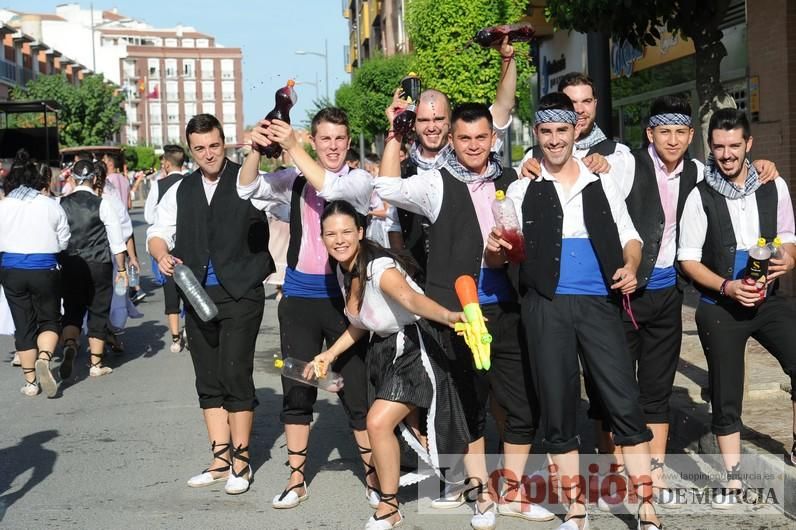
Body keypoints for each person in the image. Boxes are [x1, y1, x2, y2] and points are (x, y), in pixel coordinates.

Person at [378, 101, 554, 528]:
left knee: (520, 405)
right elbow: (385, 187)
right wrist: (394, 135)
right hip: (455, 313)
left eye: (481, 137)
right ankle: (480, 494)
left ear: (494, 138)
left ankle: (511, 490)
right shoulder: (434, 183)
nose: (474, 146)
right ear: (451, 142)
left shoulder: (516, 179)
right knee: (468, 405)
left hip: (507, 308)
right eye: (465, 138)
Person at [495, 92, 661, 529]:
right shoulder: (521, 186)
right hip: (544, 307)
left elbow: (631, 237)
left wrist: (629, 266)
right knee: (557, 403)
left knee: (623, 399)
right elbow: (503, 255)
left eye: (561, 130)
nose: (553, 140)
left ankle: (646, 507)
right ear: (536, 134)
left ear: (575, 131)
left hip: (599, 305)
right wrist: (497, 249)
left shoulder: (600, 179)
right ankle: (575, 507)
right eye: (546, 131)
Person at [239, 108, 376, 510]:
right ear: (315, 142)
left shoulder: (358, 181)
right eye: (325, 139)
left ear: (349, 142)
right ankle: (296, 479)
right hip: (299, 299)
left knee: (356, 391)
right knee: (297, 389)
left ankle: (373, 476)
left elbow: (330, 188)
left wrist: (294, 146)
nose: (333, 146)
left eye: (339, 139)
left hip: (344, 301)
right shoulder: (294, 180)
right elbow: (247, 189)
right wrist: (255, 149)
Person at [311, 200, 470, 529]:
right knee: (411, 429)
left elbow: (411, 300)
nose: (339, 239)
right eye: (331, 234)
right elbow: (360, 323)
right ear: (322, 237)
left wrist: (450, 316)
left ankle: (389, 506)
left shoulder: (378, 267)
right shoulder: (345, 270)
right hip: (383, 350)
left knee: (379, 423)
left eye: (346, 232)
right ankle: (453, 479)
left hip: (413, 345)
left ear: (360, 232)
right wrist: (330, 354)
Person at [148, 114, 273, 496]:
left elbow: (271, 202)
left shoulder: (247, 180)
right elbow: (157, 232)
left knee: (235, 373)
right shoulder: (179, 190)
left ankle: (242, 460)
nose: (208, 154)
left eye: (214, 146)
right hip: (197, 294)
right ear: (191, 150)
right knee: (208, 378)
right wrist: (161, 255)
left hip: (241, 293)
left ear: (224, 143)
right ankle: (219, 459)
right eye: (200, 148)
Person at [678, 108, 796, 508]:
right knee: (727, 395)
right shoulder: (700, 194)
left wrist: (789, 258)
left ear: (749, 144)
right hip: (719, 305)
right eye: (718, 147)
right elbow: (688, 260)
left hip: (768, 302)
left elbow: (787, 235)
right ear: (709, 148)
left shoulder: (772, 184)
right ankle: (732, 479)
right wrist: (727, 286)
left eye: (734, 146)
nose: (726, 154)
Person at [396, 38, 517, 288]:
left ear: (450, 123)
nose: (432, 127)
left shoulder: (471, 150)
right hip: (427, 284)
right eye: (423, 120)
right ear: (414, 123)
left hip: (487, 278)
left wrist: (507, 59)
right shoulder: (404, 170)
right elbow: (393, 226)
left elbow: (503, 105)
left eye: (439, 118)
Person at [0, 149, 70, 397]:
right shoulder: (49, 205)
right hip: (46, 269)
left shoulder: (4, 206)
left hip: (11, 269)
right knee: (49, 319)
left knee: (23, 325)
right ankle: (45, 356)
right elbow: (63, 241)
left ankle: (30, 383)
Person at [59, 160, 128, 381]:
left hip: (70, 262)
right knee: (98, 310)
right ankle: (96, 363)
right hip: (98, 263)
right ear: (95, 179)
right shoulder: (102, 204)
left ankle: (70, 343)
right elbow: (117, 241)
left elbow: (58, 238)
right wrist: (122, 268)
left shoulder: (60, 203)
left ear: (72, 178)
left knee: (72, 308)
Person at [144, 145, 188, 352]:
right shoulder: (192, 183)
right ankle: (189, 327)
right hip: (189, 243)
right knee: (191, 287)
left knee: (170, 288)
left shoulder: (158, 185)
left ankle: (175, 338)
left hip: (166, 245)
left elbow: (148, 217)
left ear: (167, 164)